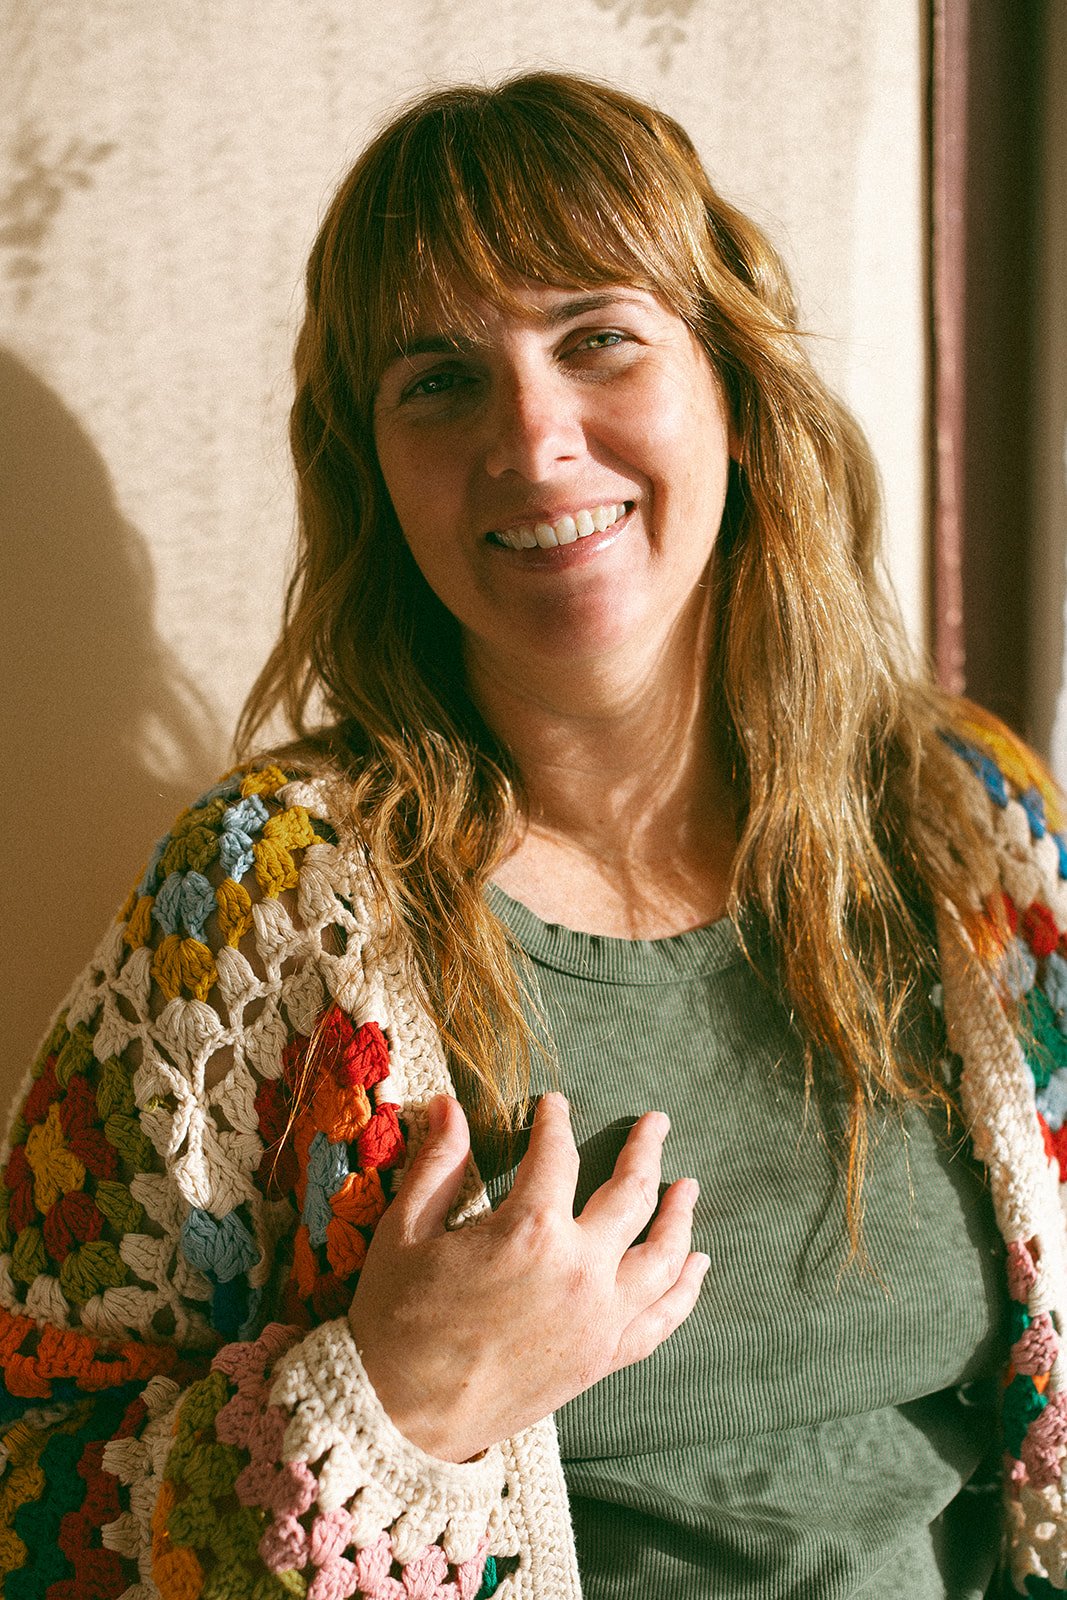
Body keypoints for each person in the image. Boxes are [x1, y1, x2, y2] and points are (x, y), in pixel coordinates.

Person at [0, 69, 1065, 1600]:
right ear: (371, 467)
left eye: (598, 338)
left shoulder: (974, 830)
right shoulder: (255, 911)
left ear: (737, 390)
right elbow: (29, 1491)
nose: (533, 437)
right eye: (438, 378)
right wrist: (401, 1400)